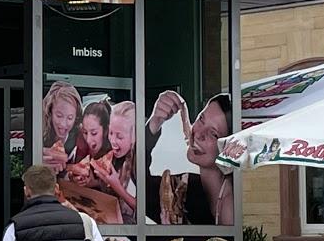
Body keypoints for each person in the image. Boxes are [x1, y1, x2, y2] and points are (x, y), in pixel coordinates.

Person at [146, 92, 234, 224]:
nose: (199, 134)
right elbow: (142, 189)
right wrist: (155, 122)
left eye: (213, 134)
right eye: (201, 119)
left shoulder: (229, 206)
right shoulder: (185, 186)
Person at [87, 99, 137, 223]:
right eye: (110, 133)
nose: (112, 141)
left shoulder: (142, 162)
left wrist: (117, 186)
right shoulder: (115, 157)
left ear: (135, 135)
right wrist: (96, 183)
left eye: (119, 136)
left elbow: (145, 211)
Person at [64, 100, 110, 182]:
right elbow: (74, 169)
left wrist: (95, 183)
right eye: (85, 132)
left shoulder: (114, 151)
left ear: (106, 130)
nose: (88, 140)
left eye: (94, 133)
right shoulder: (82, 143)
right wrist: (73, 175)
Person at [41, 82, 82, 174]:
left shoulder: (80, 135)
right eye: (59, 116)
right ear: (50, 112)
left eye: (70, 118)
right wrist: (37, 156)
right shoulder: (36, 129)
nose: (63, 124)